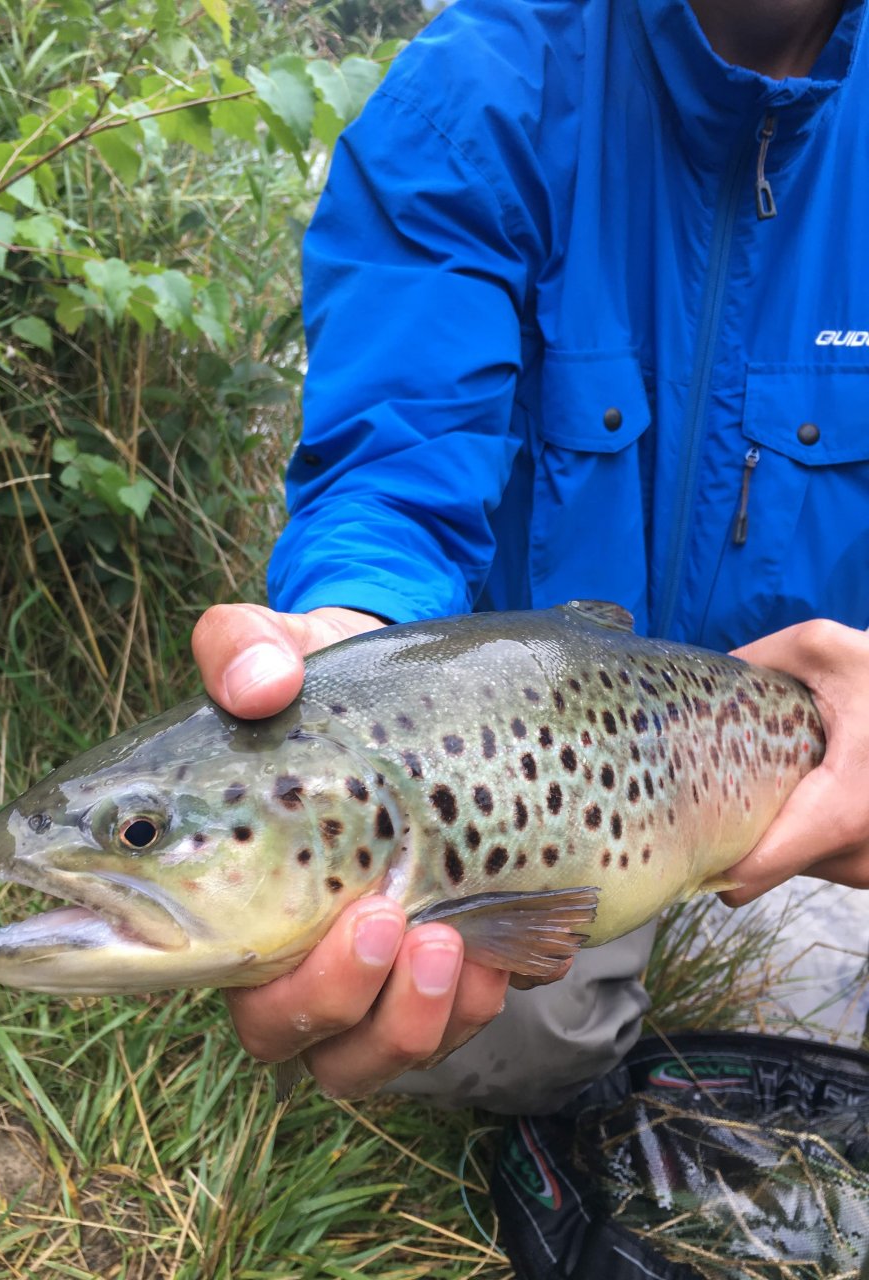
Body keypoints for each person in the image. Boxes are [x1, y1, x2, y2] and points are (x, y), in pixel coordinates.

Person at [193, 0, 869, 1112]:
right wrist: (352, 628)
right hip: (534, 772)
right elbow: (393, 463)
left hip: (817, 727)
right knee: (472, 1019)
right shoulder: (485, 86)